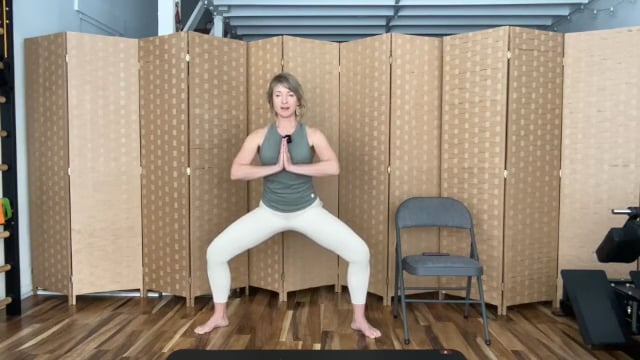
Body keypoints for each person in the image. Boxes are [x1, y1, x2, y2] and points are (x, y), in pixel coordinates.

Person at [194, 72, 381, 339]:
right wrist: (273, 168)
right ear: (271, 101)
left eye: (290, 94)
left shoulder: (313, 134)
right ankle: (219, 315)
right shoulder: (258, 136)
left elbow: (334, 166)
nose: (284, 100)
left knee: (360, 253)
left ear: (298, 100)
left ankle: (359, 320)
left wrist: (294, 167)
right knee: (215, 252)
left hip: (308, 211)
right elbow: (236, 171)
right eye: (278, 94)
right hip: (269, 212)